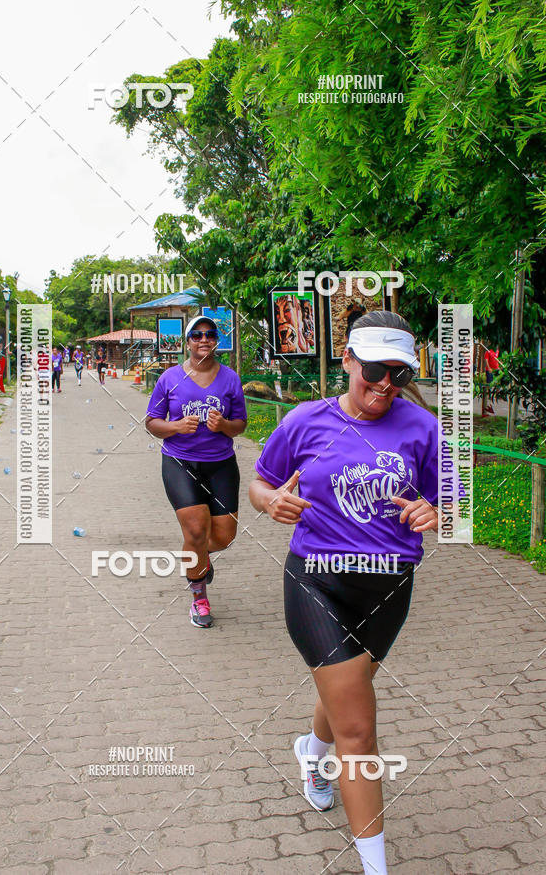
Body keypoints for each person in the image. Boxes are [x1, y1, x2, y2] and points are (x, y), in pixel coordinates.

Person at [249, 310, 448, 875]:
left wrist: (438, 512)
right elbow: (260, 482)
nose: (385, 384)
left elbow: (453, 499)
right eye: (374, 370)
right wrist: (270, 501)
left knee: (346, 693)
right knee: (358, 729)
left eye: (399, 373)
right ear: (347, 361)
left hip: (389, 589)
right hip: (316, 581)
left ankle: (309, 753)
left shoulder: (423, 427)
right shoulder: (304, 421)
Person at [145, 316, 247, 628]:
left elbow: (240, 424)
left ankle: (198, 556)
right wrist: (175, 427)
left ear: (216, 341)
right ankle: (199, 597)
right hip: (180, 463)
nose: (204, 340)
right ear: (187, 342)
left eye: (210, 334)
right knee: (196, 531)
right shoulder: (169, 378)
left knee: (224, 537)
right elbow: (151, 422)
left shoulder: (230, 379)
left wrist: (224, 425)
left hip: (221, 464)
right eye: (197, 335)